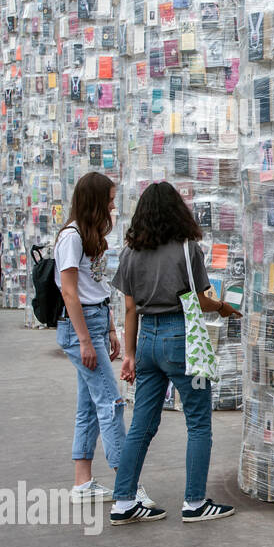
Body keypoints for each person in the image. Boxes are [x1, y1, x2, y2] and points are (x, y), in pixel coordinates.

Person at [110, 181, 241, 525]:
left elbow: (129, 309)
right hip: (181, 338)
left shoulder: (129, 253)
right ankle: (195, 502)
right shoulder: (188, 249)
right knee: (198, 421)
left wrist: (129, 354)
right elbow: (200, 299)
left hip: (147, 340)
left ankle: (123, 500)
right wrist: (223, 307)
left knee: (141, 424)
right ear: (177, 211)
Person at [54, 172, 141, 506]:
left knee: (90, 403)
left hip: (96, 319)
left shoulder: (90, 236)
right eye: (109, 200)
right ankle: (126, 486)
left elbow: (96, 287)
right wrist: (85, 341)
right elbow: (70, 292)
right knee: (111, 401)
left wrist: (111, 329)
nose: (113, 206)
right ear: (95, 201)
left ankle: (83, 481)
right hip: (82, 326)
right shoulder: (71, 237)